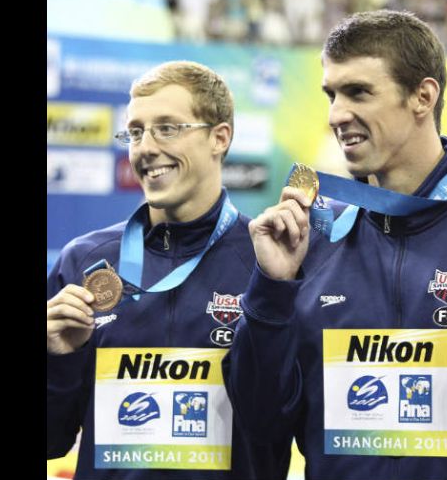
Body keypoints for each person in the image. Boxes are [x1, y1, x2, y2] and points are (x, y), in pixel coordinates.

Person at [223, 10, 447, 480]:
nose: (337, 114)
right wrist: (270, 291)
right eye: (331, 94)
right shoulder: (310, 240)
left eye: (358, 92)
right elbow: (262, 422)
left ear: (423, 96)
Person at [46, 61, 290, 480]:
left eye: (168, 128)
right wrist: (59, 361)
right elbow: (51, 440)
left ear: (220, 137)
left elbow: (282, 423)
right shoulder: (83, 262)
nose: (145, 148)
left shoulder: (269, 263)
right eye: (136, 132)